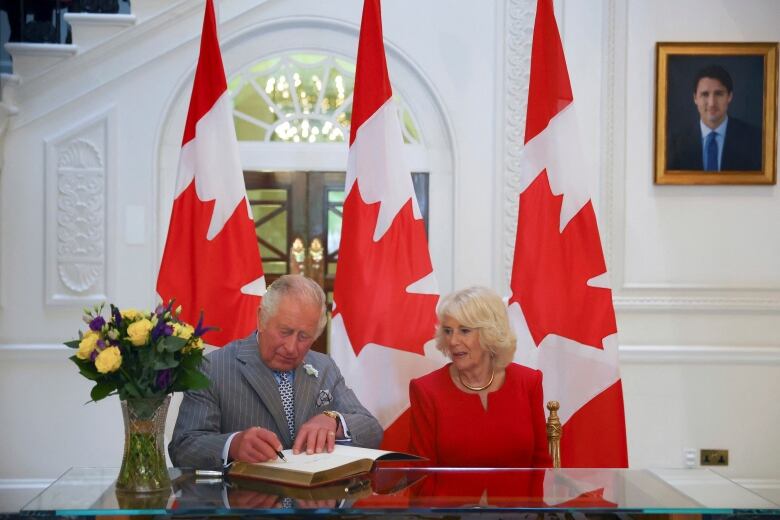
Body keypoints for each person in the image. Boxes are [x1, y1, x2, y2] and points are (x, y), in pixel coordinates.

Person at [169, 274, 383, 469]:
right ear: (261, 319)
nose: (291, 347)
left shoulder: (324, 367)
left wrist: (333, 420)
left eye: (303, 337)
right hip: (245, 505)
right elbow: (183, 448)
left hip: (312, 505)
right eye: (285, 332)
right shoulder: (213, 368)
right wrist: (233, 445)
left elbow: (371, 430)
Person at [408, 286, 551, 467]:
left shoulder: (529, 382)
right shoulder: (426, 390)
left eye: (464, 330)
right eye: (448, 331)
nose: (453, 341)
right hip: (450, 496)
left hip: (518, 496)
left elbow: (541, 463)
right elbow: (421, 474)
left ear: (489, 334)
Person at [667, 64, 762, 171]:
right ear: (695, 98)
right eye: (705, 94)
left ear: (729, 96)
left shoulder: (754, 139)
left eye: (719, 94)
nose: (712, 103)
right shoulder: (676, 144)